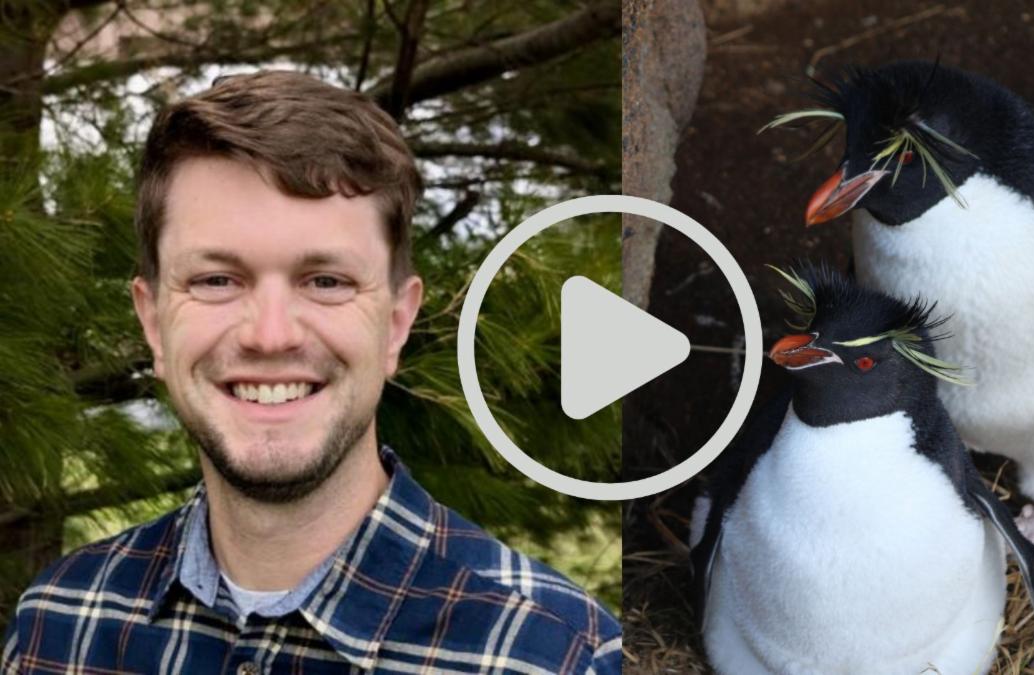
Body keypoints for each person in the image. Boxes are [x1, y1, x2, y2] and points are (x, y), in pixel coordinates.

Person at [1, 70, 620, 675]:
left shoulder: (559, 655)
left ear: (397, 323)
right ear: (154, 322)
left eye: (326, 281)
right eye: (217, 280)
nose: (271, 335)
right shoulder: (60, 623)